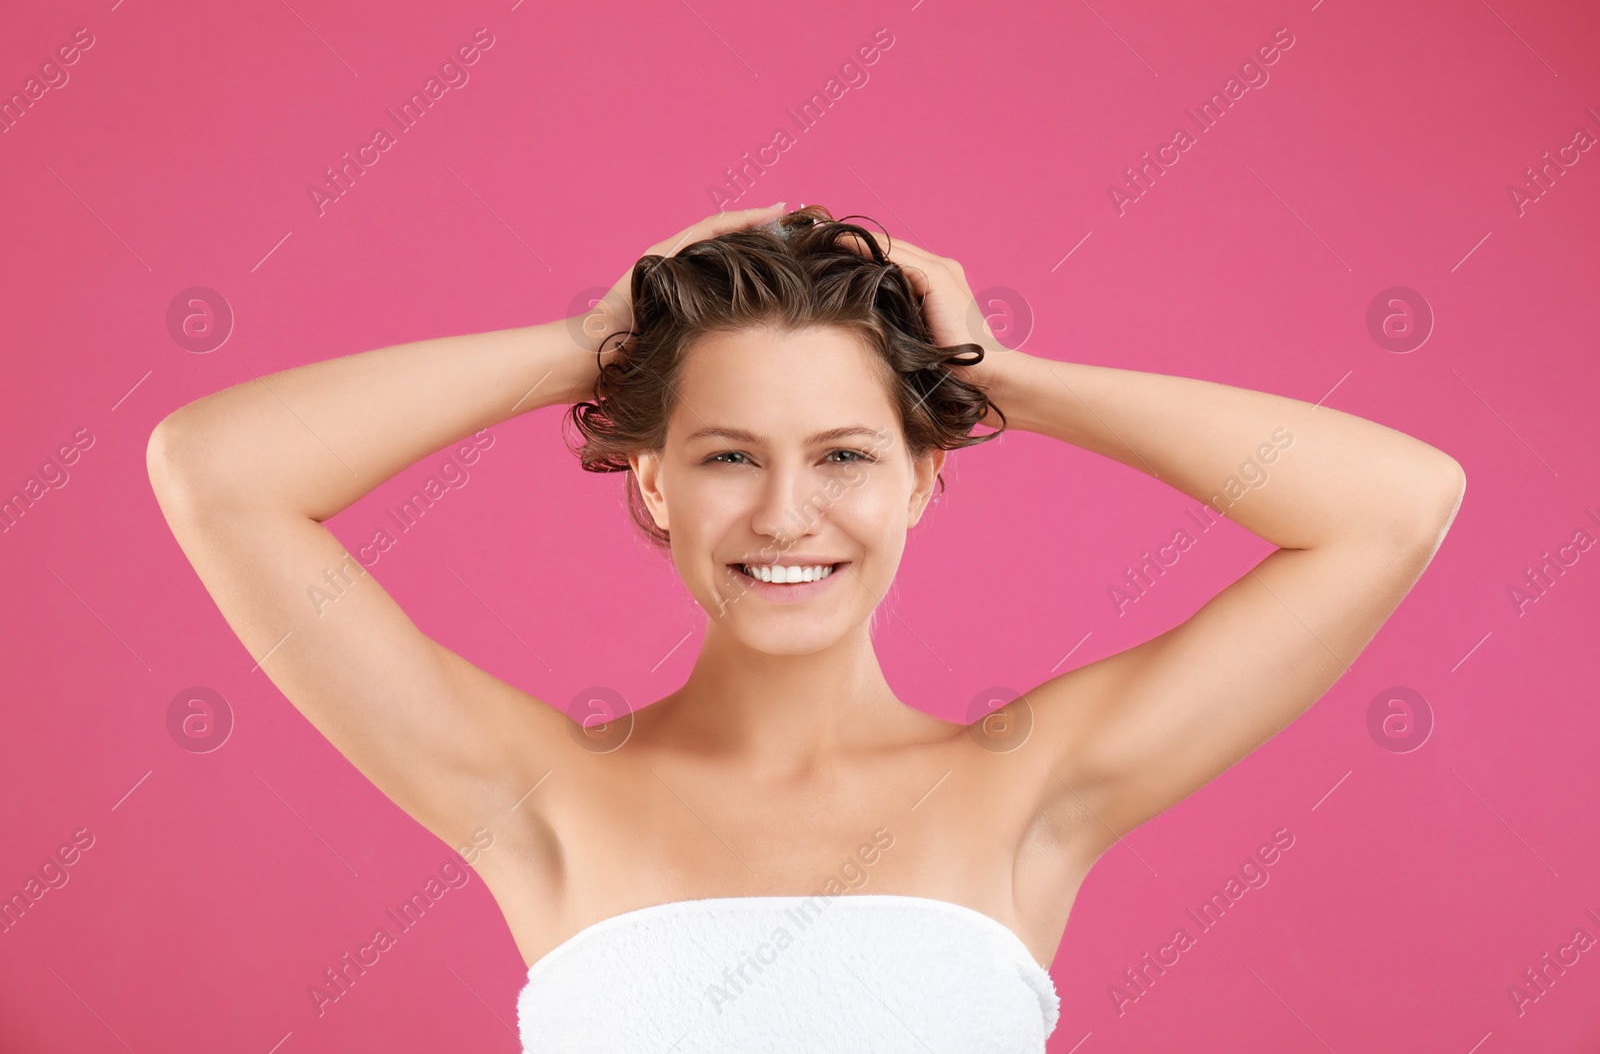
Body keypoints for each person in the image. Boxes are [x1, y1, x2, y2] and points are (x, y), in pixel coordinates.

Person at [145, 203, 1465, 1052]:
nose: (786, 515)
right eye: (726, 456)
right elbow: (218, 474)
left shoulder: (1030, 791)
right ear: (652, 485)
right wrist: (600, 340)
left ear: (923, 480)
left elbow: (1395, 507)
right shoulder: (535, 795)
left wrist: (996, 382)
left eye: (843, 456)